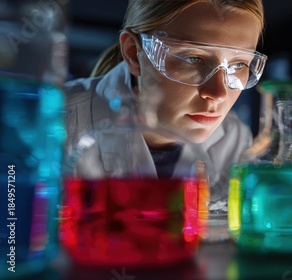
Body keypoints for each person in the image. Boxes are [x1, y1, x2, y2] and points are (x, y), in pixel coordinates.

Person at [63, 0, 267, 214]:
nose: (218, 93)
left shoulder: (234, 139)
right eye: (193, 58)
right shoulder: (55, 122)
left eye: (239, 65)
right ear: (134, 53)